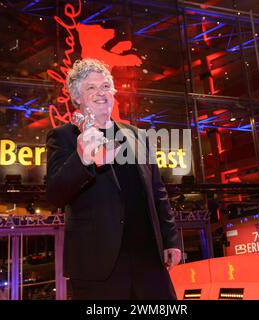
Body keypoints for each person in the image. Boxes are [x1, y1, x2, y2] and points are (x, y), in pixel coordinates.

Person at [46, 58, 181, 300]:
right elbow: (56, 193)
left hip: (148, 260)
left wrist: (171, 239)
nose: (101, 93)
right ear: (76, 98)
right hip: (99, 268)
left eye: (106, 86)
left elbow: (158, 191)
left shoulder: (137, 135)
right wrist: (82, 159)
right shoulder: (63, 137)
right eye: (91, 88)